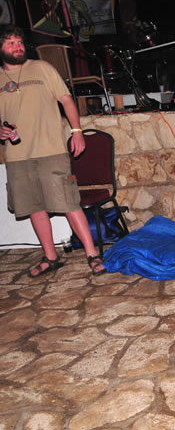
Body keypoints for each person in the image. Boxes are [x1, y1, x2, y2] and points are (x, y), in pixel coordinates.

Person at [0, 25, 106, 277]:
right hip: (17, 156)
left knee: (69, 202)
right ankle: (50, 256)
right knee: (34, 206)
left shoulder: (42, 68)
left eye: (19, 42)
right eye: (10, 43)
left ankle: (92, 253)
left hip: (51, 150)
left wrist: (77, 131)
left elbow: (66, 99)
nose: (18, 46)